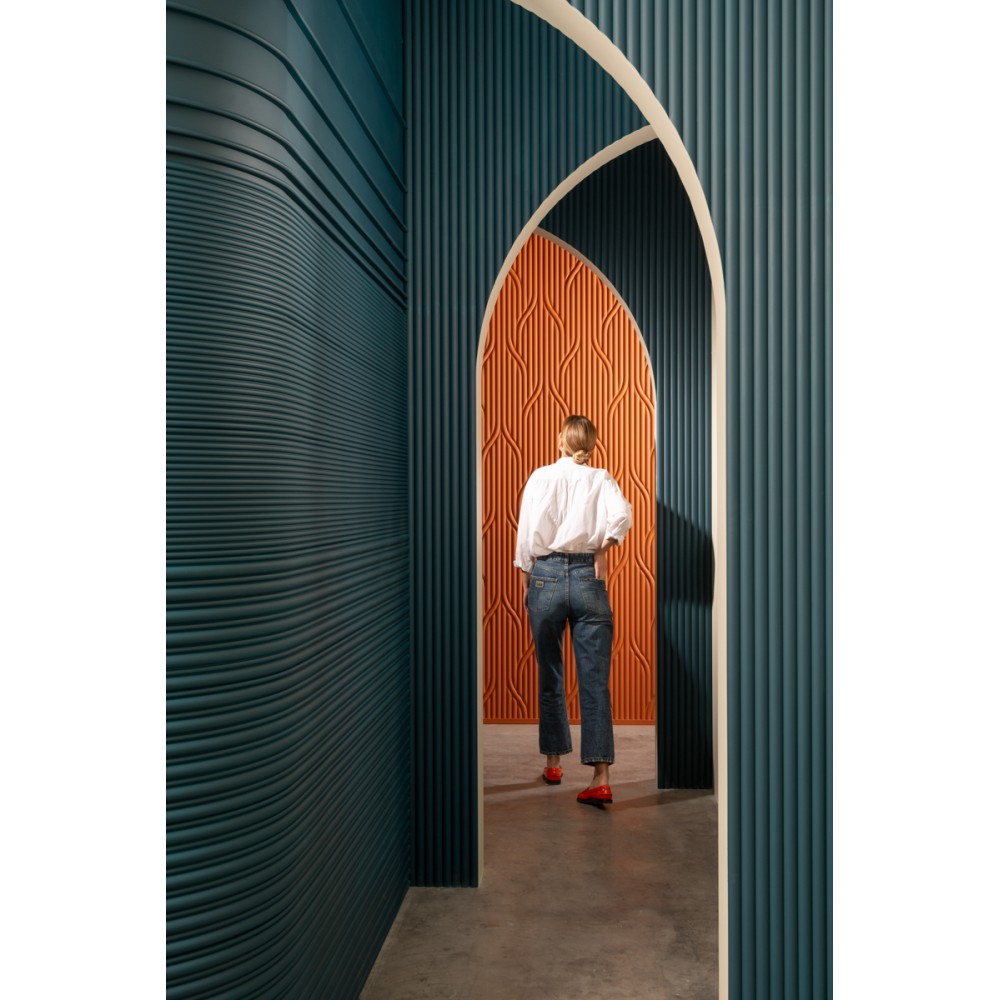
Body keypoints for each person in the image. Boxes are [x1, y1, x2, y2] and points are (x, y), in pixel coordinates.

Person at [514, 414, 632, 807]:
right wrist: (602, 550)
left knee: (550, 673)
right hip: (587, 579)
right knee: (595, 681)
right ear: (591, 444)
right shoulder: (601, 479)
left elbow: (526, 534)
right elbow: (622, 517)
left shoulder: (540, 477)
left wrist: (526, 580)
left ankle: (553, 763)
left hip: (545, 576)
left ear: (560, 441)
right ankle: (601, 778)